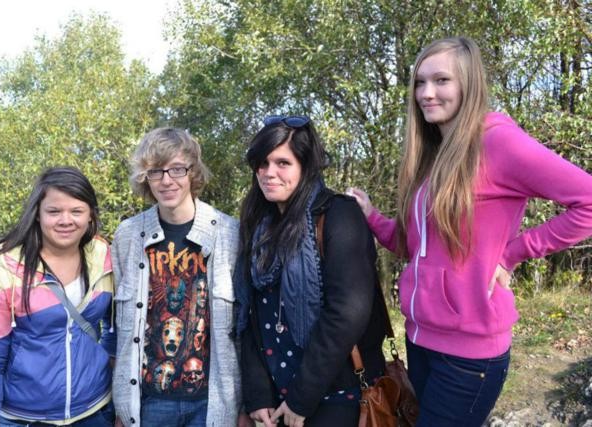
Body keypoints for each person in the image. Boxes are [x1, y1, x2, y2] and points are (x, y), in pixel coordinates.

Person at [347, 36, 592, 426]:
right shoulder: (434, 154)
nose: (426, 93)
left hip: (468, 356)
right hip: (419, 340)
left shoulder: (498, 143)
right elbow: (414, 247)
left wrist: (512, 254)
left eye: (441, 80)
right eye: (419, 82)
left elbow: (587, 201)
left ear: (469, 83)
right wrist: (372, 216)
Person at [235, 115, 387, 427]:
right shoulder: (259, 225)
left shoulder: (339, 215)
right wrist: (259, 394)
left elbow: (347, 313)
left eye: (283, 163)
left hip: (338, 397)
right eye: (262, 163)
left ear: (306, 166)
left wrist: (301, 397)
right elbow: (251, 314)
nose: (269, 173)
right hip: (278, 400)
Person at [112, 128, 249, 427]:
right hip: (149, 402)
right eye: (155, 171)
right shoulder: (128, 236)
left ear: (193, 172)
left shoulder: (229, 234)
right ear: (145, 178)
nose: (166, 180)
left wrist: (244, 406)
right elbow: (119, 329)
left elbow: (243, 330)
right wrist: (122, 405)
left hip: (211, 403)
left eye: (177, 169)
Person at [0, 167, 116, 426]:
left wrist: (109, 374)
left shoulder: (103, 255)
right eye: (54, 211)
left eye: (77, 211)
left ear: (91, 214)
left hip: (97, 412)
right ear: (37, 213)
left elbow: (116, 326)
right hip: (25, 418)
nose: (65, 220)